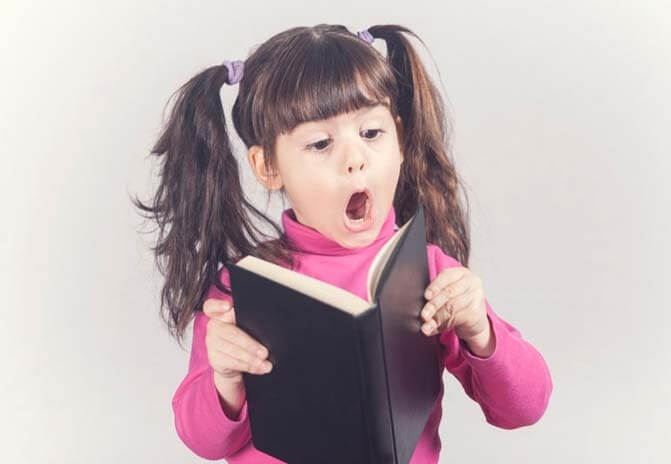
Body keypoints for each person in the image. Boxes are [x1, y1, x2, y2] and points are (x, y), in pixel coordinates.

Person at [134, 24, 553, 463]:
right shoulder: (241, 291)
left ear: (400, 139)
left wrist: (479, 332)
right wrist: (224, 380)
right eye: (320, 143)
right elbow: (202, 440)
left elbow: (526, 405)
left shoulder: (430, 273)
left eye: (371, 134)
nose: (355, 159)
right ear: (267, 167)